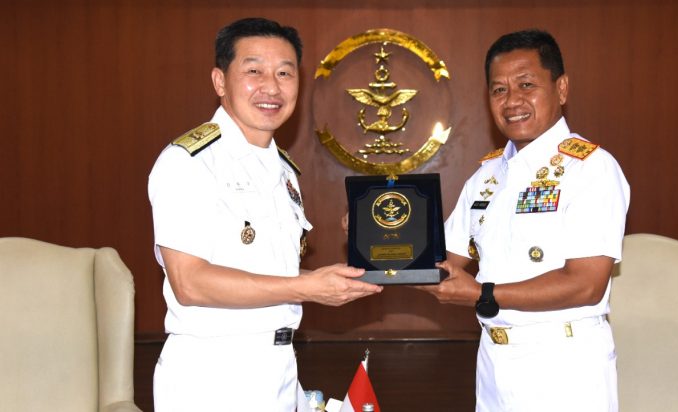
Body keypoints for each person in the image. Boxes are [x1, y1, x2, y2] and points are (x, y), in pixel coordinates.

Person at [148, 17, 382, 411]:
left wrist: (329, 281)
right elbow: (191, 282)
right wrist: (307, 287)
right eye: (254, 71)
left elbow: (266, 273)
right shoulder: (189, 162)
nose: (271, 87)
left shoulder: (283, 170)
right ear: (220, 81)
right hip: (212, 377)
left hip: (279, 368)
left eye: (285, 73)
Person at [418, 29, 630, 411]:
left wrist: (482, 294)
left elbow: (586, 284)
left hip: (564, 365)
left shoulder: (591, 169)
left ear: (561, 89)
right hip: (493, 363)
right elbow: (441, 263)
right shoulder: (486, 176)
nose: (512, 100)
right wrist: (378, 238)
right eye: (499, 90)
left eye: (526, 85)